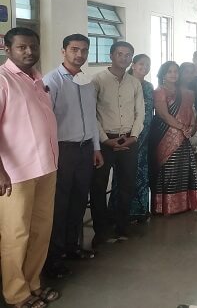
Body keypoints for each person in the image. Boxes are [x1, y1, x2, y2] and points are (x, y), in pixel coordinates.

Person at [0, 27, 60, 308]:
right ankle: (16, 293)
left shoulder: (37, 79)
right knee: (16, 234)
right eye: (22, 47)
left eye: (33, 46)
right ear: (7, 48)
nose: (29, 52)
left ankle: (33, 282)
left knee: (40, 230)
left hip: (46, 168)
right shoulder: (3, 80)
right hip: (16, 174)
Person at [43, 34, 103, 280]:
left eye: (84, 50)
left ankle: (72, 247)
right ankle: (54, 259)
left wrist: (96, 148)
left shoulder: (86, 81)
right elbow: (46, 121)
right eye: (74, 49)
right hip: (63, 150)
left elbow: (91, 118)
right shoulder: (52, 80)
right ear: (63, 51)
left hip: (85, 149)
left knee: (78, 201)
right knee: (60, 205)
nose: (80, 54)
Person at [91, 41, 145, 244]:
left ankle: (122, 226)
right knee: (98, 186)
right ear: (111, 55)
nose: (124, 58)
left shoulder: (134, 83)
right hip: (105, 142)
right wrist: (105, 139)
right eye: (120, 54)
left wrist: (134, 136)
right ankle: (100, 230)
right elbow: (92, 114)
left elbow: (140, 113)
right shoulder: (98, 80)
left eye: (128, 54)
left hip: (129, 140)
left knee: (126, 185)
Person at [150, 62, 197, 214]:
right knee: (169, 168)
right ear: (163, 74)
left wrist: (191, 127)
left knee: (184, 168)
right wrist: (182, 128)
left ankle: (184, 204)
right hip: (165, 135)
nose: (173, 74)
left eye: (175, 71)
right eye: (169, 71)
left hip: (184, 134)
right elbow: (163, 114)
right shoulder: (159, 91)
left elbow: (191, 112)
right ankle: (166, 206)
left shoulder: (186, 92)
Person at [127, 54, 154, 222]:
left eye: (147, 65)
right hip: (129, 136)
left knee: (142, 172)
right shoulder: (126, 83)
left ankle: (141, 210)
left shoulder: (149, 86)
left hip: (146, 136)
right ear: (133, 65)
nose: (144, 67)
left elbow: (149, 112)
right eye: (141, 64)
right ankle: (123, 211)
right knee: (127, 173)